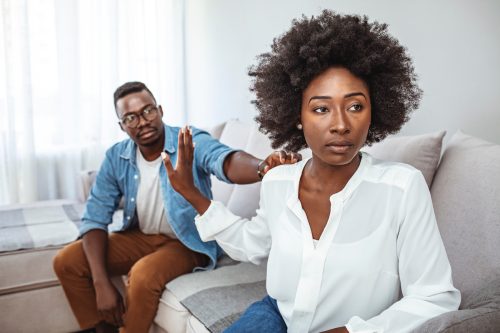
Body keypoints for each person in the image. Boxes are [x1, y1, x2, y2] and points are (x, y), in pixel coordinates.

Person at [163, 11, 461, 333]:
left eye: (355, 106)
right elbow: (252, 245)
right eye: (321, 109)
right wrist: (191, 193)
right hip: (276, 314)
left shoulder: (402, 188)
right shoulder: (279, 180)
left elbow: (434, 297)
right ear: (297, 116)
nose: (341, 125)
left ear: (374, 112)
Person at [52, 81, 300, 333]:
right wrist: (100, 282)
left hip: (188, 242)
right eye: (130, 117)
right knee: (67, 261)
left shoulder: (188, 139)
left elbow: (224, 161)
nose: (142, 121)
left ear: (160, 110)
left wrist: (261, 167)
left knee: (143, 275)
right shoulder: (117, 156)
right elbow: (95, 217)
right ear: (122, 125)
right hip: (142, 236)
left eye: (148, 111)